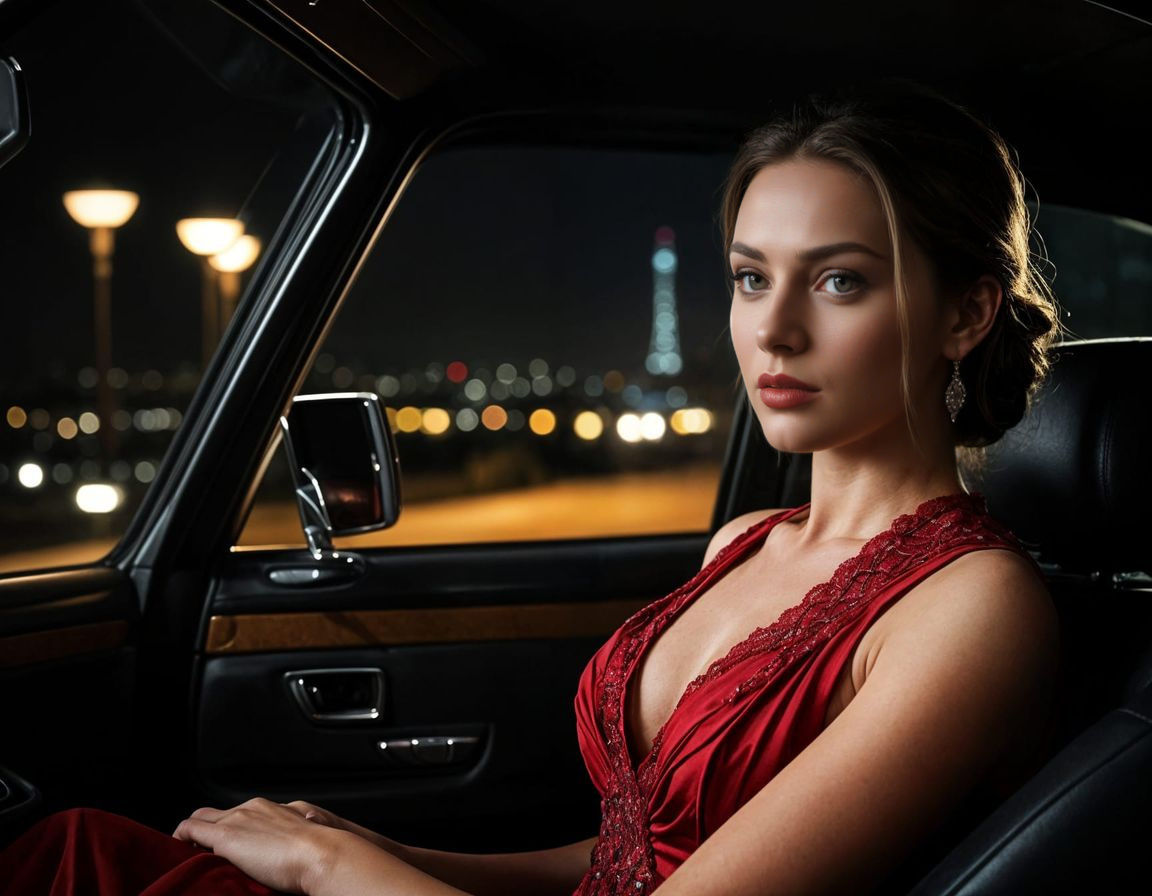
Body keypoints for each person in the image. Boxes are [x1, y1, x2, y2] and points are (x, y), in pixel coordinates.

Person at [0, 82, 1060, 895]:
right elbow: (621, 857)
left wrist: (339, 875)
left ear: (966, 312)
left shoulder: (972, 606)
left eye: (839, 280)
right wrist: (375, 844)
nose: (772, 328)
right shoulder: (743, 537)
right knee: (81, 846)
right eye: (750, 275)